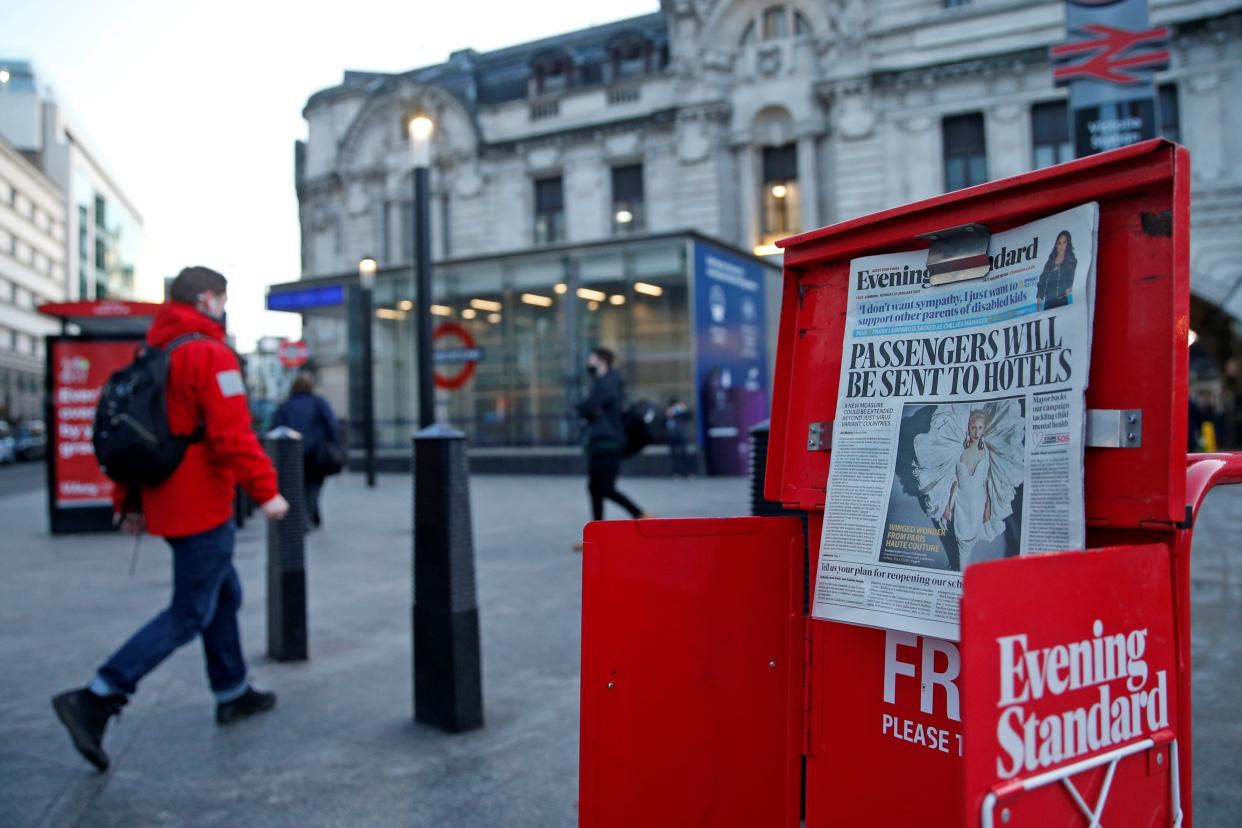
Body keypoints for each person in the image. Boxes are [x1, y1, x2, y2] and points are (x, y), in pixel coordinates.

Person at [52, 266, 290, 773]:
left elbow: (136, 431)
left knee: (224, 594)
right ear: (206, 298)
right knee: (189, 612)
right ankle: (98, 696)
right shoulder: (207, 353)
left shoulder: (156, 350)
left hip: (165, 498)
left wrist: (128, 501)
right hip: (200, 502)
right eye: (222, 300)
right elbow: (233, 436)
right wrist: (267, 491)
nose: (224, 309)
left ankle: (232, 689)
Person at [912, 400, 1025, 570]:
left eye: (980, 428)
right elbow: (954, 481)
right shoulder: (959, 450)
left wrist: (988, 507)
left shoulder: (987, 451)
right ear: (968, 428)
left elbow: (987, 482)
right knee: (961, 537)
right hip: (961, 503)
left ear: (984, 429)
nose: (976, 432)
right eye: (973, 428)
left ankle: (966, 569)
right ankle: (961, 568)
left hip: (978, 503)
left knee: (972, 537)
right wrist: (948, 506)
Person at [574, 348, 648, 547]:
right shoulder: (601, 383)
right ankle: (597, 536)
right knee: (594, 488)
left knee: (604, 488)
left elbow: (585, 406)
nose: (588, 363)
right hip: (599, 442)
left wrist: (587, 405)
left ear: (602, 361)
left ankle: (641, 515)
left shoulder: (609, 382)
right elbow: (585, 407)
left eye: (591, 359)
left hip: (610, 442)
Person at [273, 371, 340, 529]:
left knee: (298, 486)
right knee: (314, 485)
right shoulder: (319, 402)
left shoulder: (286, 406)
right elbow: (332, 425)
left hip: (292, 452)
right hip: (316, 453)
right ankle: (309, 516)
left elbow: (276, 428)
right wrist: (334, 444)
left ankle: (307, 516)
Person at [1036, 230, 1076, 310]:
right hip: (1048, 303)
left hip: (1062, 302)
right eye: (1059, 243)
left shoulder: (1071, 261)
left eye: (1064, 242)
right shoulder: (1049, 262)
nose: (1062, 246)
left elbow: (1070, 283)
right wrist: (1039, 300)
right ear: (1056, 245)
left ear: (1068, 244)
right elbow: (1042, 281)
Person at [665, 398, 693, 477]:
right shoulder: (668, 414)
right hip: (671, 436)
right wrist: (668, 414)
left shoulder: (681, 414)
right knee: (674, 455)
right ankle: (676, 473)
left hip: (681, 435)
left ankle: (688, 472)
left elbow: (689, 416)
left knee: (684, 454)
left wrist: (684, 409)